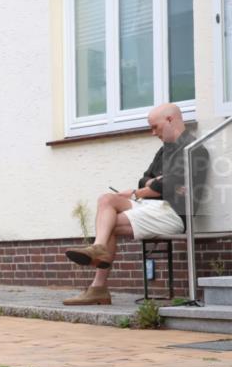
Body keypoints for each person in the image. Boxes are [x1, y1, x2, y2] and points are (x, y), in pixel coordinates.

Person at [62, 103, 209, 305]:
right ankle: (98, 249)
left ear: (169, 120)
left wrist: (148, 187)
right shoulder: (163, 152)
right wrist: (156, 183)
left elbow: (168, 185)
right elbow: (147, 180)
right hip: (152, 207)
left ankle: (98, 287)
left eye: (154, 127)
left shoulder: (195, 150)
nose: (152, 132)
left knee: (109, 222)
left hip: (174, 214)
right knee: (106, 199)